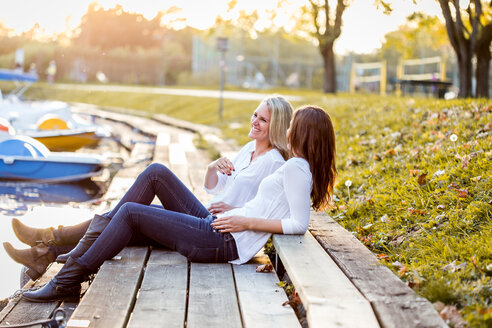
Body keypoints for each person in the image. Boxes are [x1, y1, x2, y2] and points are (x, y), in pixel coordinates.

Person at [19, 105, 337, 302]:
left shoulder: (296, 167)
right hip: (222, 230)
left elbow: (298, 224)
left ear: (305, 133)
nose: (289, 129)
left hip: (223, 241)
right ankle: (59, 255)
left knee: (129, 212)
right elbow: (269, 203)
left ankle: (66, 275)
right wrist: (238, 211)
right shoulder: (296, 166)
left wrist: (245, 221)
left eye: (294, 125)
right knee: (151, 181)